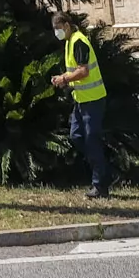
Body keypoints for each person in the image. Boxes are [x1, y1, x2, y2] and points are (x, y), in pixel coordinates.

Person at [49, 10, 111, 198]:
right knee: (76, 137)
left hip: (93, 100)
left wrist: (64, 78)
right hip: (81, 100)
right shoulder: (69, 42)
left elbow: (83, 71)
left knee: (92, 140)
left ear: (67, 25)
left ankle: (100, 185)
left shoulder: (78, 41)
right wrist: (63, 79)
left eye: (59, 29)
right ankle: (104, 172)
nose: (57, 33)